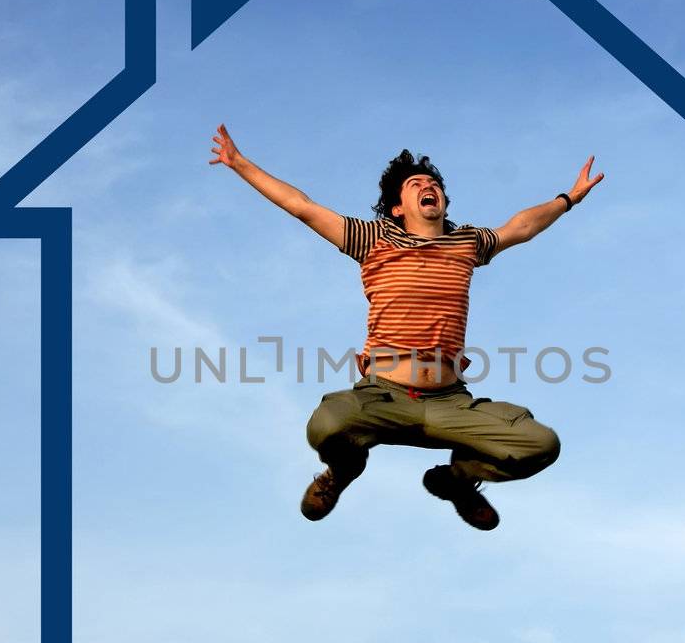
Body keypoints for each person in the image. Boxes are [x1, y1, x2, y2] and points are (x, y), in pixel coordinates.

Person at [208, 124, 605, 530]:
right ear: (399, 207)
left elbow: (521, 227)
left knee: (540, 445)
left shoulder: (467, 241)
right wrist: (240, 164)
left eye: (433, 183)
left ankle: (456, 481)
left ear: (443, 202)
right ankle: (342, 471)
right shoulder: (374, 238)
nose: (427, 185)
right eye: (415, 183)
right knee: (325, 426)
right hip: (385, 397)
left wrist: (568, 198)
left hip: (451, 402)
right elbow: (302, 206)